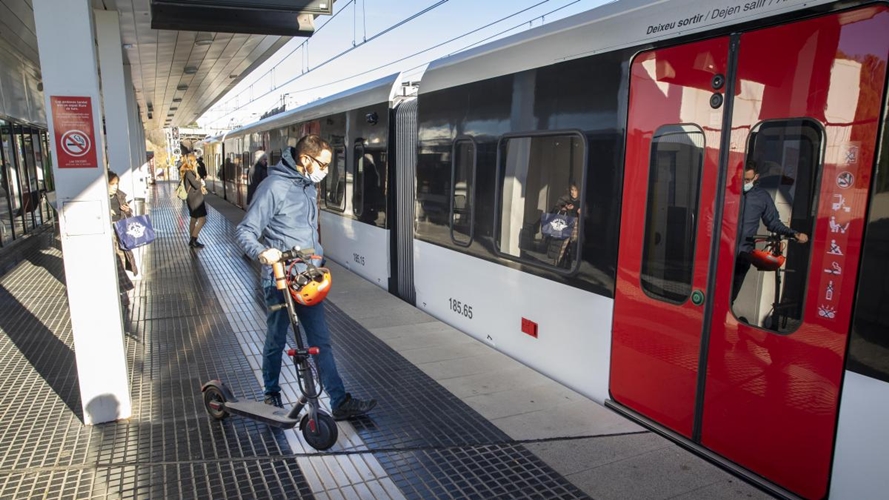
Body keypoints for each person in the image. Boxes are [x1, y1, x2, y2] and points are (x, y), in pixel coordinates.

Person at [236, 135, 376, 420]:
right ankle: (271, 392)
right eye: (323, 164)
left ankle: (339, 401)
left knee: (320, 341)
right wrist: (263, 252)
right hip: (279, 280)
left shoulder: (307, 187)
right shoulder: (274, 187)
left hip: (308, 279)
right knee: (276, 339)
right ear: (305, 160)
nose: (326, 170)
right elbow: (245, 231)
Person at [732, 163, 809, 303]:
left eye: (747, 180)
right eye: (741, 179)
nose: (744, 183)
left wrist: (793, 233)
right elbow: (709, 219)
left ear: (756, 177)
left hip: (743, 254)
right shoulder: (726, 193)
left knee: (731, 297)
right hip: (721, 252)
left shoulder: (762, 197)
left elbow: (773, 222)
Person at [108, 171, 137, 304]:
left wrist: (127, 210)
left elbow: (130, 215)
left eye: (116, 184)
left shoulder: (119, 196)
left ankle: (122, 290)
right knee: (115, 261)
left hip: (119, 231)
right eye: (112, 184)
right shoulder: (100, 198)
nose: (115, 187)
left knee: (120, 259)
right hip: (108, 233)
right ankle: (123, 290)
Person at [180, 154, 208, 248]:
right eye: (195, 161)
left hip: (192, 198)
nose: (196, 163)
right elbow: (196, 185)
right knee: (202, 219)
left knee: (193, 219)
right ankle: (193, 239)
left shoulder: (187, 172)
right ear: (191, 162)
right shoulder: (189, 173)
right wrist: (201, 181)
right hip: (195, 199)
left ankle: (192, 239)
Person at [551, 183, 581, 268]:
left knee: (573, 245)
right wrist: (565, 207)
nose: (573, 192)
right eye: (572, 190)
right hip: (565, 222)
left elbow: (587, 214)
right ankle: (557, 265)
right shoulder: (565, 199)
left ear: (578, 191)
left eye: (575, 190)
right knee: (561, 245)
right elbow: (556, 208)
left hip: (575, 224)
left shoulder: (581, 201)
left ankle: (569, 265)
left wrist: (581, 213)